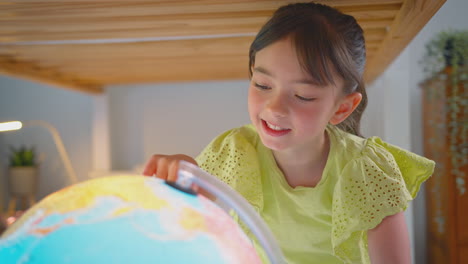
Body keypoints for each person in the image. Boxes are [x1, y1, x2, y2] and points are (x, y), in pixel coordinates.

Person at [142, 2, 435, 263]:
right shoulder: (236, 150)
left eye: (304, 96)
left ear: (341, 109)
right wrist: (183, 169)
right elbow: (195, 202)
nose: (275, 107)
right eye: (263, 85)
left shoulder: (365, 171)